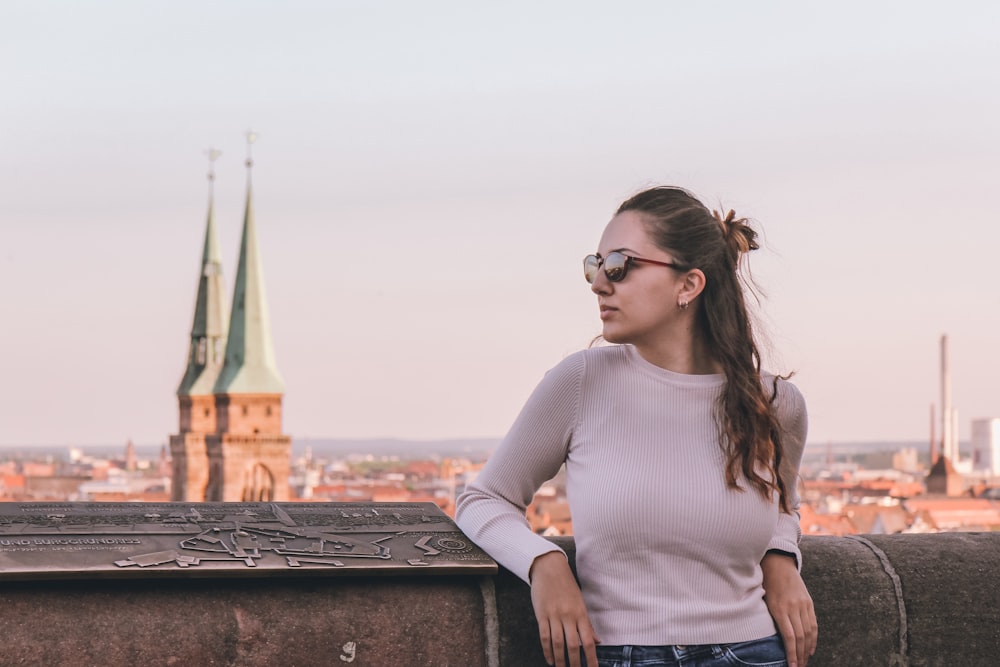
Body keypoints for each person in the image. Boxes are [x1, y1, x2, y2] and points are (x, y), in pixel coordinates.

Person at [455, 186, 817, 667]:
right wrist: (544, 563)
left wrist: (780, 557)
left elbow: (781, 508)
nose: (599, 283)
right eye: (595, 265)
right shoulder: (582, 382)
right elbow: (483, 499)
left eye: (620, 266)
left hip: (752, 653)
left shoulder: (774, 404)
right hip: (616, 654)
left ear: (688, 285)